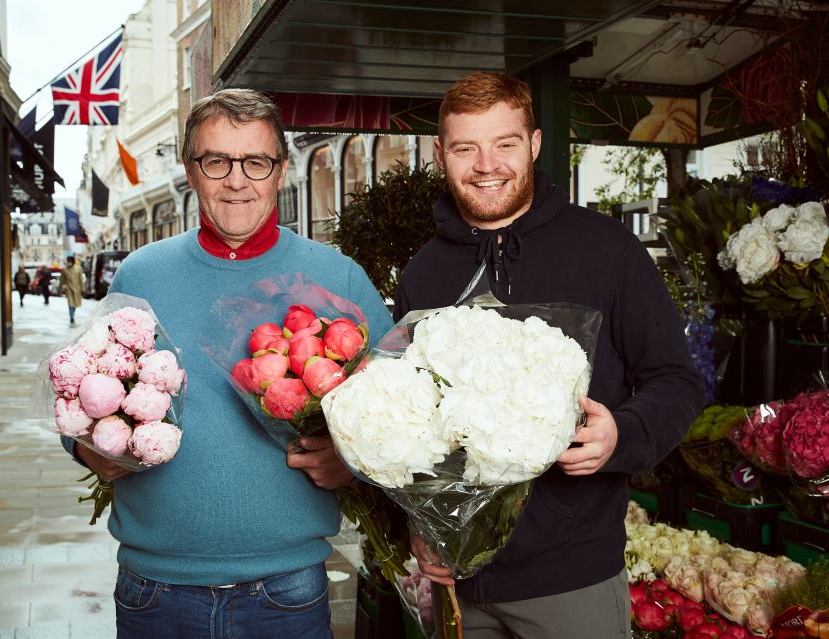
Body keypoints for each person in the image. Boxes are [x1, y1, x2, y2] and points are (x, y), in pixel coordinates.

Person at [62, 89, 393, 639]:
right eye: (216, 160)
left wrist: (353, 459)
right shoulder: (141, 277)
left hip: (286, 588)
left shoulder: (337, 278)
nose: (236, 180)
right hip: (154, 590)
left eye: (255, 161)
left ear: (281, 170)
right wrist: (86, 447)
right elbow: (79, 394)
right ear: (192, 170)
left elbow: (400, 416)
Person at [395, 72, 704, 639]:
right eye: (466, 148)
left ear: (534, 144)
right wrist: (419, 524)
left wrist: (622, 435)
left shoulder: (607, 249)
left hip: (572, 579)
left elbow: (676, 380)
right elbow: (409, 418)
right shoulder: (424, 272)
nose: (487, 164)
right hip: (455, 580)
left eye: (505, 143)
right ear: (442, 155)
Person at [60, 256, 84, 324]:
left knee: (75, 304)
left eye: (71, 261)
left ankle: (72, 314)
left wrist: (83, 289)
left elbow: (81, 280)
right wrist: (60, 289)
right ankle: (71, 317)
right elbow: (62, 280)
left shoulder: (78, 268)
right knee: (70, 304)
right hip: (69, 289)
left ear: (73, 262)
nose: (69, 263)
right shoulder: (64, 270)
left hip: (77, 289)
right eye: (68, 261)